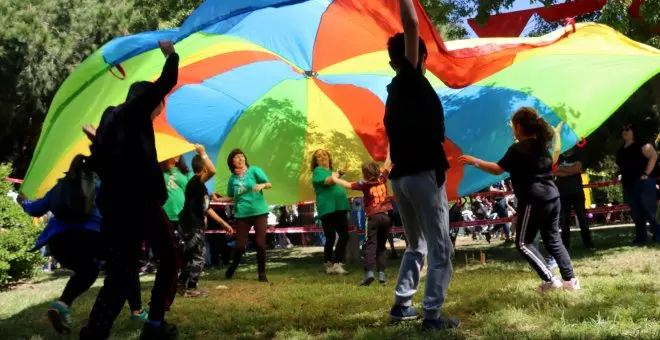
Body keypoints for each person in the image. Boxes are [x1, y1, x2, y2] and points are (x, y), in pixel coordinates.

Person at [82, 40, 181, 340]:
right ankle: (154, 325)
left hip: (112, 207)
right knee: (170, 256)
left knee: (121, 273)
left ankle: (96, 332)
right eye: (157, 110)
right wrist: (171, 54)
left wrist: (97, 138)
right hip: (139, 202)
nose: (156, 115)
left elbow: (100, 160)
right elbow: (167, 81)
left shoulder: (110, 120)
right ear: (149, 102)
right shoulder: (136, 109)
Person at [382, 0, 458, 330]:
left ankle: (402, 305)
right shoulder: (410, 81)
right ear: (419, 60)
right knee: (440, 249)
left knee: (417, 245)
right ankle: (432, 315)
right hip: (422, 175)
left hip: (400, 177)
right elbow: (411, 25)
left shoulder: (394, 93)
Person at [458, 107, 580, 294]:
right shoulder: (541, 146)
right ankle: (570, 280)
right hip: (552, 197)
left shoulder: (518, 149)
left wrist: (475, 161)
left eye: (513, 126)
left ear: (519, 127)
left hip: (534, 199)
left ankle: (550, 279)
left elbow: (498, 169)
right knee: (553, 239)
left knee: (524, 243)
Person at [178, 145, 234, 297]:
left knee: (191, 256)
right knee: (198, 257)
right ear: (203, 169)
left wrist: (223, 223)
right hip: (192, 225)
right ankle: (191, 288)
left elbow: (207, 208)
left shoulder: (199, 187)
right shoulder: (196, 181)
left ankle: (181, 285)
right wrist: (203, 153)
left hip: (192, 224)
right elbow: (213, 170)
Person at [215, 149, 272, 282]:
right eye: (237, 157)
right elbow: (230, 196)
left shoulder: (254, 170)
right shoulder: (232, 179)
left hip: (259, 212)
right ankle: (233, 266)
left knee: (260, 243)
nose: (240, 158)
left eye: (242, 156)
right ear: (232, 162)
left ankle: (262, 274)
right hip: (242, 215)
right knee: (240, 246)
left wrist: (262, 185)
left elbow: (269, 184)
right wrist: (218, 200)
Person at [332, 161, 394, 286]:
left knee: (370, 245)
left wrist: (334, 178)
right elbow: (387, 163)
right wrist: (389, 146)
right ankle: (381, 274)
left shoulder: (364, 184)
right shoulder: (383, 178)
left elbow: (348, 185)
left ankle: (369, 273)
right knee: (381, 246)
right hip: (386, 217)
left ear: (365, 174)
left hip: (373, 217)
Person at [615, 123, 659, 245]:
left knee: (649, 209)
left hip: (644, 182)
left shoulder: (643, 144)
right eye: (622, 129)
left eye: (627, 129)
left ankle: (658, 235)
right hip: (628, 183)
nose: (624, 131)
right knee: (636, 212)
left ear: (633, 131)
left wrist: (646, 173)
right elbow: (621, 165)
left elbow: (654, 157)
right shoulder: (621, 149)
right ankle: (641, 238)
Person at [310, 149, 351, 275]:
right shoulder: (317, 172)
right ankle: (328, 263)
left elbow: (333, 179)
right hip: (327, 208)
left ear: (329, 156)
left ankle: (337, 264)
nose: (322, 157)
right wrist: (339, 173)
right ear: (316, 161)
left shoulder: (331, 172)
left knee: (344, 235)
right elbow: (328, 181)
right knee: (331, 236)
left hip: (339, 206)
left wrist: (338, 174)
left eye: (324, 154)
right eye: (319, 156)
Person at [554, 147, 593, 249]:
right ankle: (565, 245)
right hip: (562, 193)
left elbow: (577, 169)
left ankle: (588, 242)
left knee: (582, 217)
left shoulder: (577, 154)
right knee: (564, 220)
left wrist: (562, 170)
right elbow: (554, 171)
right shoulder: (557, 156)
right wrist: (570, 171)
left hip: (577, 192)